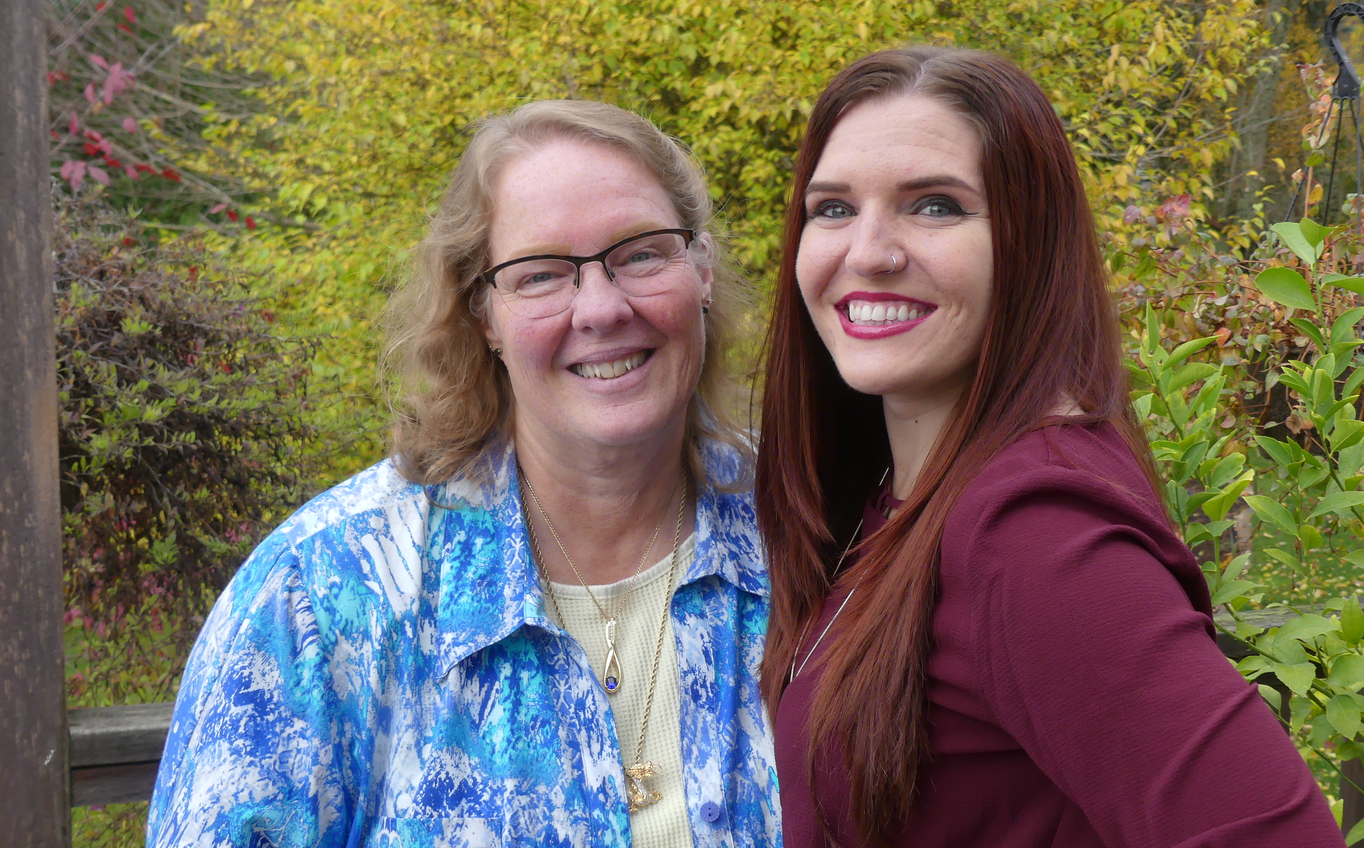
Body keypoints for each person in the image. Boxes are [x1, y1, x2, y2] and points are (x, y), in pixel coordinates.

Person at [147, 100, 781, 848]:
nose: (602, 307)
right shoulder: (325, 593)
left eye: (641, 253)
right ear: (483, 314)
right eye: (542, 274)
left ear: (701, 270)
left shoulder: (813, 534)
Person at [756, 46, 1345, 848]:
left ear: (1031, 243)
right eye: (831, 209)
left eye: (934, 205)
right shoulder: (898, 496)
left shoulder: (1033, 534)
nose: (868, 251)